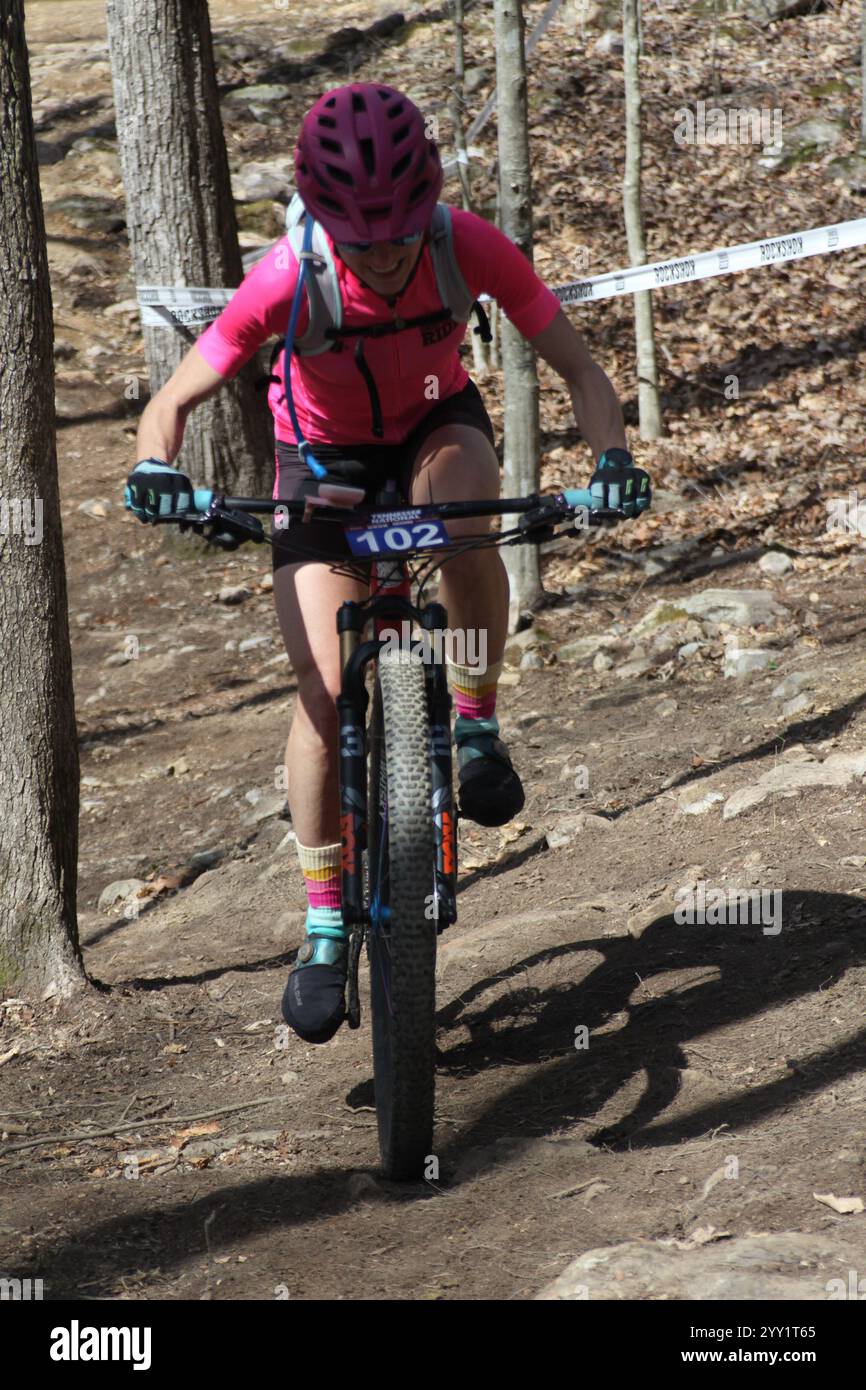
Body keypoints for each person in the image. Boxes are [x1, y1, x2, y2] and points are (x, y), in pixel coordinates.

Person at [126, 82, 650, 1046]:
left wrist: (610, 460)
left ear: (428, 206)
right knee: (324, 692)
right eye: (360, 242)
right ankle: (325, 918)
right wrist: (155, 465)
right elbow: (175, 398)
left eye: (399, 235)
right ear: (324, 223)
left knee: (463, 510)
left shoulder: (468, 246)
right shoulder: (287, 276)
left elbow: (580, 371)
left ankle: (477, 723)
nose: (383, 255)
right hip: (318, 467)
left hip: (430, 427)